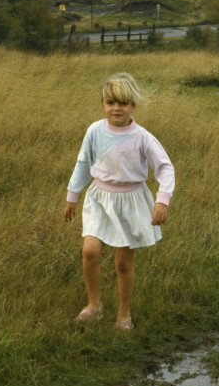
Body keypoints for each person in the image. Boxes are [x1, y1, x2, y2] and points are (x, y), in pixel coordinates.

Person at [63, 73, 175, 329]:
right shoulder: (94, 131)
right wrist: (72, 197)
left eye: (123, 103)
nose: (116, 108)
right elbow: (82, 164)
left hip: (131, 202)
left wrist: (162, 200)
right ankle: (94, 305)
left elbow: (165, 168)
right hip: (99, 199)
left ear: (133, 106)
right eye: (111, 103)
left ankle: (124, 314)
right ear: (103, 105)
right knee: (90, 251)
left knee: (123, 263)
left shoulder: (142, 136)